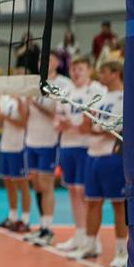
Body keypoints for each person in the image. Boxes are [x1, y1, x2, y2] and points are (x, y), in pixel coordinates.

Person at [68, 57, 126, 267]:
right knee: (92, 201)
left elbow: (117, 131)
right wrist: (91, 127)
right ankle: (90, 245)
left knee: (118, 204)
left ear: (115, 73)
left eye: (103, 72)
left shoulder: (125, 97)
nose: (99, 76)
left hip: (112, 156)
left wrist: (95, 129)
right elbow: (87, 128)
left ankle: (122, 251)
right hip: (92, 155)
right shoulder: (100, 97)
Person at [54, 56, 106, 253]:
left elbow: (90, 124)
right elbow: (57, 121)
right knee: (73, 191)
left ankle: (93, 239)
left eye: (80, 69)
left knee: (86, 193)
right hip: (67, 146)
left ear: (89, 70)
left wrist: (72, 125)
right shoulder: (67, 92)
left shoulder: (97, 90)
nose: (76, 72)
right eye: (73, 69)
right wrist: (68, 124)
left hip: (86, 147)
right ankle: (80, 234)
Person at [22, 59, 67, 246]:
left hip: (48, 142)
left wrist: (35, 102)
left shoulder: (61, 84)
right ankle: (42, 227)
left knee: (46, 185)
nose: (42, 62)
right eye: (40, 59)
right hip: (31, 140)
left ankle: (48, 229)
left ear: (56, 63)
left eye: (48, 59)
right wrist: (24, 103)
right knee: (37, 185)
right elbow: (25, 115)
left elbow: (54, 112)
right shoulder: (33, 83)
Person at [0, 94, 32, 233]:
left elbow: (23, 124)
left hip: (19, 146)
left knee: (22, 183)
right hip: (5, 145)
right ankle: (12, 217)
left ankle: (25, 220)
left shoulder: (22, 98)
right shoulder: (3, 97)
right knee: (8, 182)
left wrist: (5, 117)